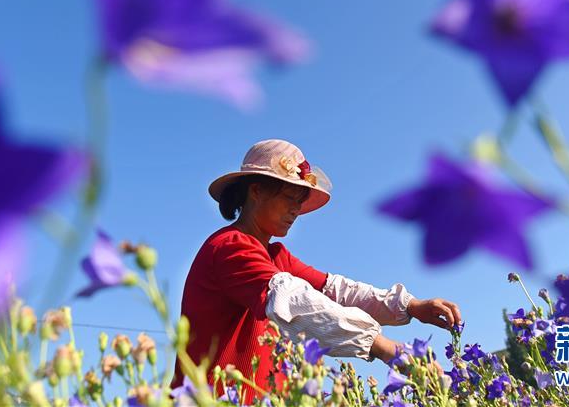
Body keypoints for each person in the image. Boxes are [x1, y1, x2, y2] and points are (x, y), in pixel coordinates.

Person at [171, 139, 463, 398]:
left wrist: (411, 306)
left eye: (300, 201)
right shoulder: (230, 247)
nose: (296, 210)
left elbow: (336, 291)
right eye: (289, 198)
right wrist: (384, 347)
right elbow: (295, 301)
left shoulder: (275, 256)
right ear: (256, 191)